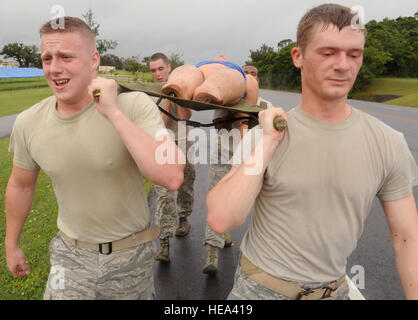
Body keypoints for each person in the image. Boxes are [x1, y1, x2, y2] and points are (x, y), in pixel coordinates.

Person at [207, 3, 418, 300]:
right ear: (298, 56)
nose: (343, 65)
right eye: (328, 53)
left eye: (354, 54)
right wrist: (269, 142)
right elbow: (221, 218)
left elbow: (408, 238)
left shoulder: (388, 142)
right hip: (261, 290)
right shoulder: (265, 136)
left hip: (334, 291)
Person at [5, 17, 185, 300]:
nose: (54, 68)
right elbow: (21, 185)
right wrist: (11, 243)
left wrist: (113, 113)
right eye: (47, 58)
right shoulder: (29, 122)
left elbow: (172, 175)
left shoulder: (133, 105)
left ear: (93, 60)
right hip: (69, 255)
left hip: (130, 258)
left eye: (66, 57)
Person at [203, 65, 273, 276]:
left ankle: (254, 251)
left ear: (258, 81)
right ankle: (211, 253)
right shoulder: (225, 101)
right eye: (246, 74)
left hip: (250, 164)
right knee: (216, 202)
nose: (250, 77)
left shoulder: (266, 106)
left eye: (254, 74)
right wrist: (237, 112)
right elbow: (217, 125)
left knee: (247, 207)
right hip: (223, 158)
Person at [149, 53, 196, 262]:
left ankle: (184, 218)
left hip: (183, 145)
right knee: (164, 195)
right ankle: (164, 243)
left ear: (169, 68)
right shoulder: (149, 94)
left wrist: (174, 91)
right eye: (153, 70)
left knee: (186, 185)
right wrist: (165, 98)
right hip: (162, 148)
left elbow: (185, 116)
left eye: (160, 69)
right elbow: (160, 123)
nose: (157, 74)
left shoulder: (181, 88)